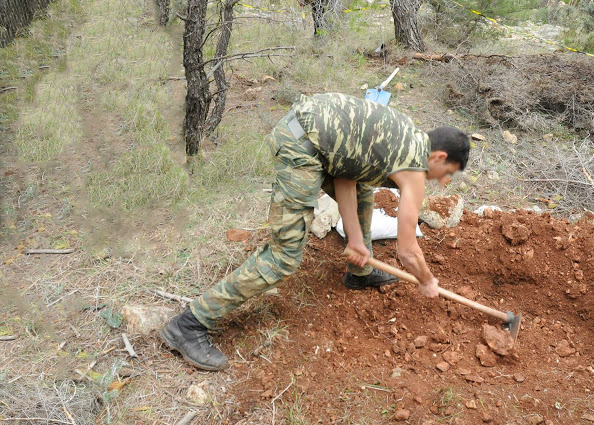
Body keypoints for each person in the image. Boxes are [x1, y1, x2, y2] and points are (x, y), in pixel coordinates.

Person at [161, 93, 470, 371]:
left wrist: (358, 242)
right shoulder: (413, 169)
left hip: (312, 135)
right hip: (301, 146)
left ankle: (358, 274)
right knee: (285, 256)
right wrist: (426, 280)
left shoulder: (407, 136)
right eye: (449, 174)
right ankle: (189, 324)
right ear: (439, 157)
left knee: (363, 194)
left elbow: (348, 174)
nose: (444, 182)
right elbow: (407, 251)